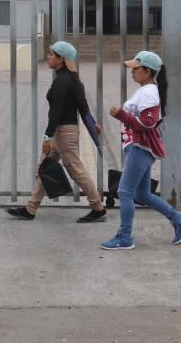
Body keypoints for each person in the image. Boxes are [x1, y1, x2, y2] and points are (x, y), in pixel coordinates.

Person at [99, 51, 181, 251]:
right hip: (141, 148)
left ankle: (125, 237)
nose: (132, 72)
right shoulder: (146, 90)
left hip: (140, 148)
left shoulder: (149, 92)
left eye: (136, 68)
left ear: (148, 71)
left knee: (124, 192)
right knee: (142, 194)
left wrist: (122, 115)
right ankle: (179, 219)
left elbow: (148, 123)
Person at [7, 41, 107, 222]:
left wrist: (47, 136)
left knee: (76, 170)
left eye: (51, 54)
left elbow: (56, 113)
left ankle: (98, 207)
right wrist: (92, 123)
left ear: (61, 59)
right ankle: (30, 208)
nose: (48, 57)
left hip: (63, 133)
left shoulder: (62, 81)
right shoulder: (72, 80)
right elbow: (83, 107)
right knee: (44, 167)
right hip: (63, 132)